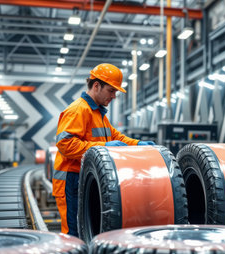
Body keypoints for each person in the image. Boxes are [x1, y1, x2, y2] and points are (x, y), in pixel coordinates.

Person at [53, 63, 155, 237]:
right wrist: (103, 147)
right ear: (96, 86)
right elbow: (65, 144)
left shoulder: (98, 114)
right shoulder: (78, 110)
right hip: (71, 179)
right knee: (74, 233)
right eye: (111, 91)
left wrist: (137, 144)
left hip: (85, 178)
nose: (114, 96)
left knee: (88, 230)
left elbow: (116, 137)